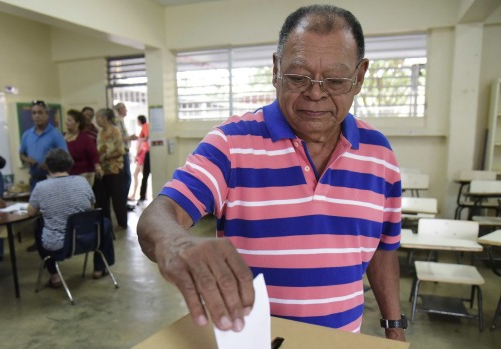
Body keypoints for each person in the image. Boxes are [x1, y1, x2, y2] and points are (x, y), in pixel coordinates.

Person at [137, 4, 405, 342]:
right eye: (298, 76)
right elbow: (158, 214)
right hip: (253, 341)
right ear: (276, 69)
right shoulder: (231, 145)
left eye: (335, 80)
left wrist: (394, 327)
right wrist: (175, 243)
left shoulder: (380, 155)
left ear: (360, 77)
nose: (316, 93)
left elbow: (384, 249)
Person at [27, 149, 115, 286]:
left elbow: (31, 212)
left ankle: (54, 275)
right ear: (70, 165)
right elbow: (91, 205)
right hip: (88, 239)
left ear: (47, 166)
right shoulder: (82, 182)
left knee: (38, 226)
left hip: (58, 245)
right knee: (104, 223)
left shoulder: (40, 187)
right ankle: (99, 268)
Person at [19, 100, 68, 252]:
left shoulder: (55, 134)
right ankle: (38, 241)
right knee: (36, 212)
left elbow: (64, 155)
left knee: (52, 213)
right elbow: (21, 153)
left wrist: (48, 164)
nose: (36, 116)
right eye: (34, 113)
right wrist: (27, 159)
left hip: (52, 180)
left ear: (47, 115)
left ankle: (57, 241)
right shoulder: (27, 135)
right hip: (35, 179)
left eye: (40, 113)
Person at [95, 108, 128, 229]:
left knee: (117, 199)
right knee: (104, 199)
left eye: (99, 117)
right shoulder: (100, 132)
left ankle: (122, 223)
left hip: (115, 169)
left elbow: (120, 151)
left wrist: (106, 156)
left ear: (105, 118)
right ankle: (106, 223)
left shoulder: (115, 131)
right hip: (103, 170)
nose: (97, 120)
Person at [65, 109, 103, 186]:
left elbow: (94, 155)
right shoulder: (62, 137)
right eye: (67, 120)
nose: (66, 123)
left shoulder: (85, 139)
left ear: (77, 123)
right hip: (66, 174)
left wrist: (98, 168)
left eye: (69, 120)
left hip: (83, 174)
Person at [113, 102, 137, 210]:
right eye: (125, 109)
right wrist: (130, 137)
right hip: (122, 153)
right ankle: (123, 203)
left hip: (125, 151)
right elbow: (118, 138)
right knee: (126, 178)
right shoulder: (118, 121)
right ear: (119, 110)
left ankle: (124, 202)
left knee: (127, 178)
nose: (126, 111)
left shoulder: (121, 120)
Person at [128, 115, 149, 202]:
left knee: (138, 174)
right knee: (138, 174)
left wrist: (137, 154)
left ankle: (138, 194)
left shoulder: (145, 127)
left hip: (142, 154)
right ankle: (140, 194)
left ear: (139, 121)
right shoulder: (145, 127)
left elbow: (145, 138)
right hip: (142, 154)